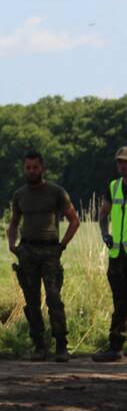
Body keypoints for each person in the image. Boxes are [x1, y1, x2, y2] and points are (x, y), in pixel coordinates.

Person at [7, 151, 79, 362]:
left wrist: (62, 246)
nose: (31, 171)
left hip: (50, 251)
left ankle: (61, 346)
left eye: (34, 167)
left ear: (42, 168)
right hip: (27, 251)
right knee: (31, 300)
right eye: (27, 167)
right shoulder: (19, 194)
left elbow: (74, 220)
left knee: (54, 298)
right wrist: (13, 245)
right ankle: (39, 345)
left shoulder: (56, 192)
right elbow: (13, 223)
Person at [93, 146, 127, 362]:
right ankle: (116, 348)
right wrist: (105, 235)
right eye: (120, 162)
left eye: (125, 162)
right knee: (120, 301)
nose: (122, 165)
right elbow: (103, 216)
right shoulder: (113, 187)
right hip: (118, 254)